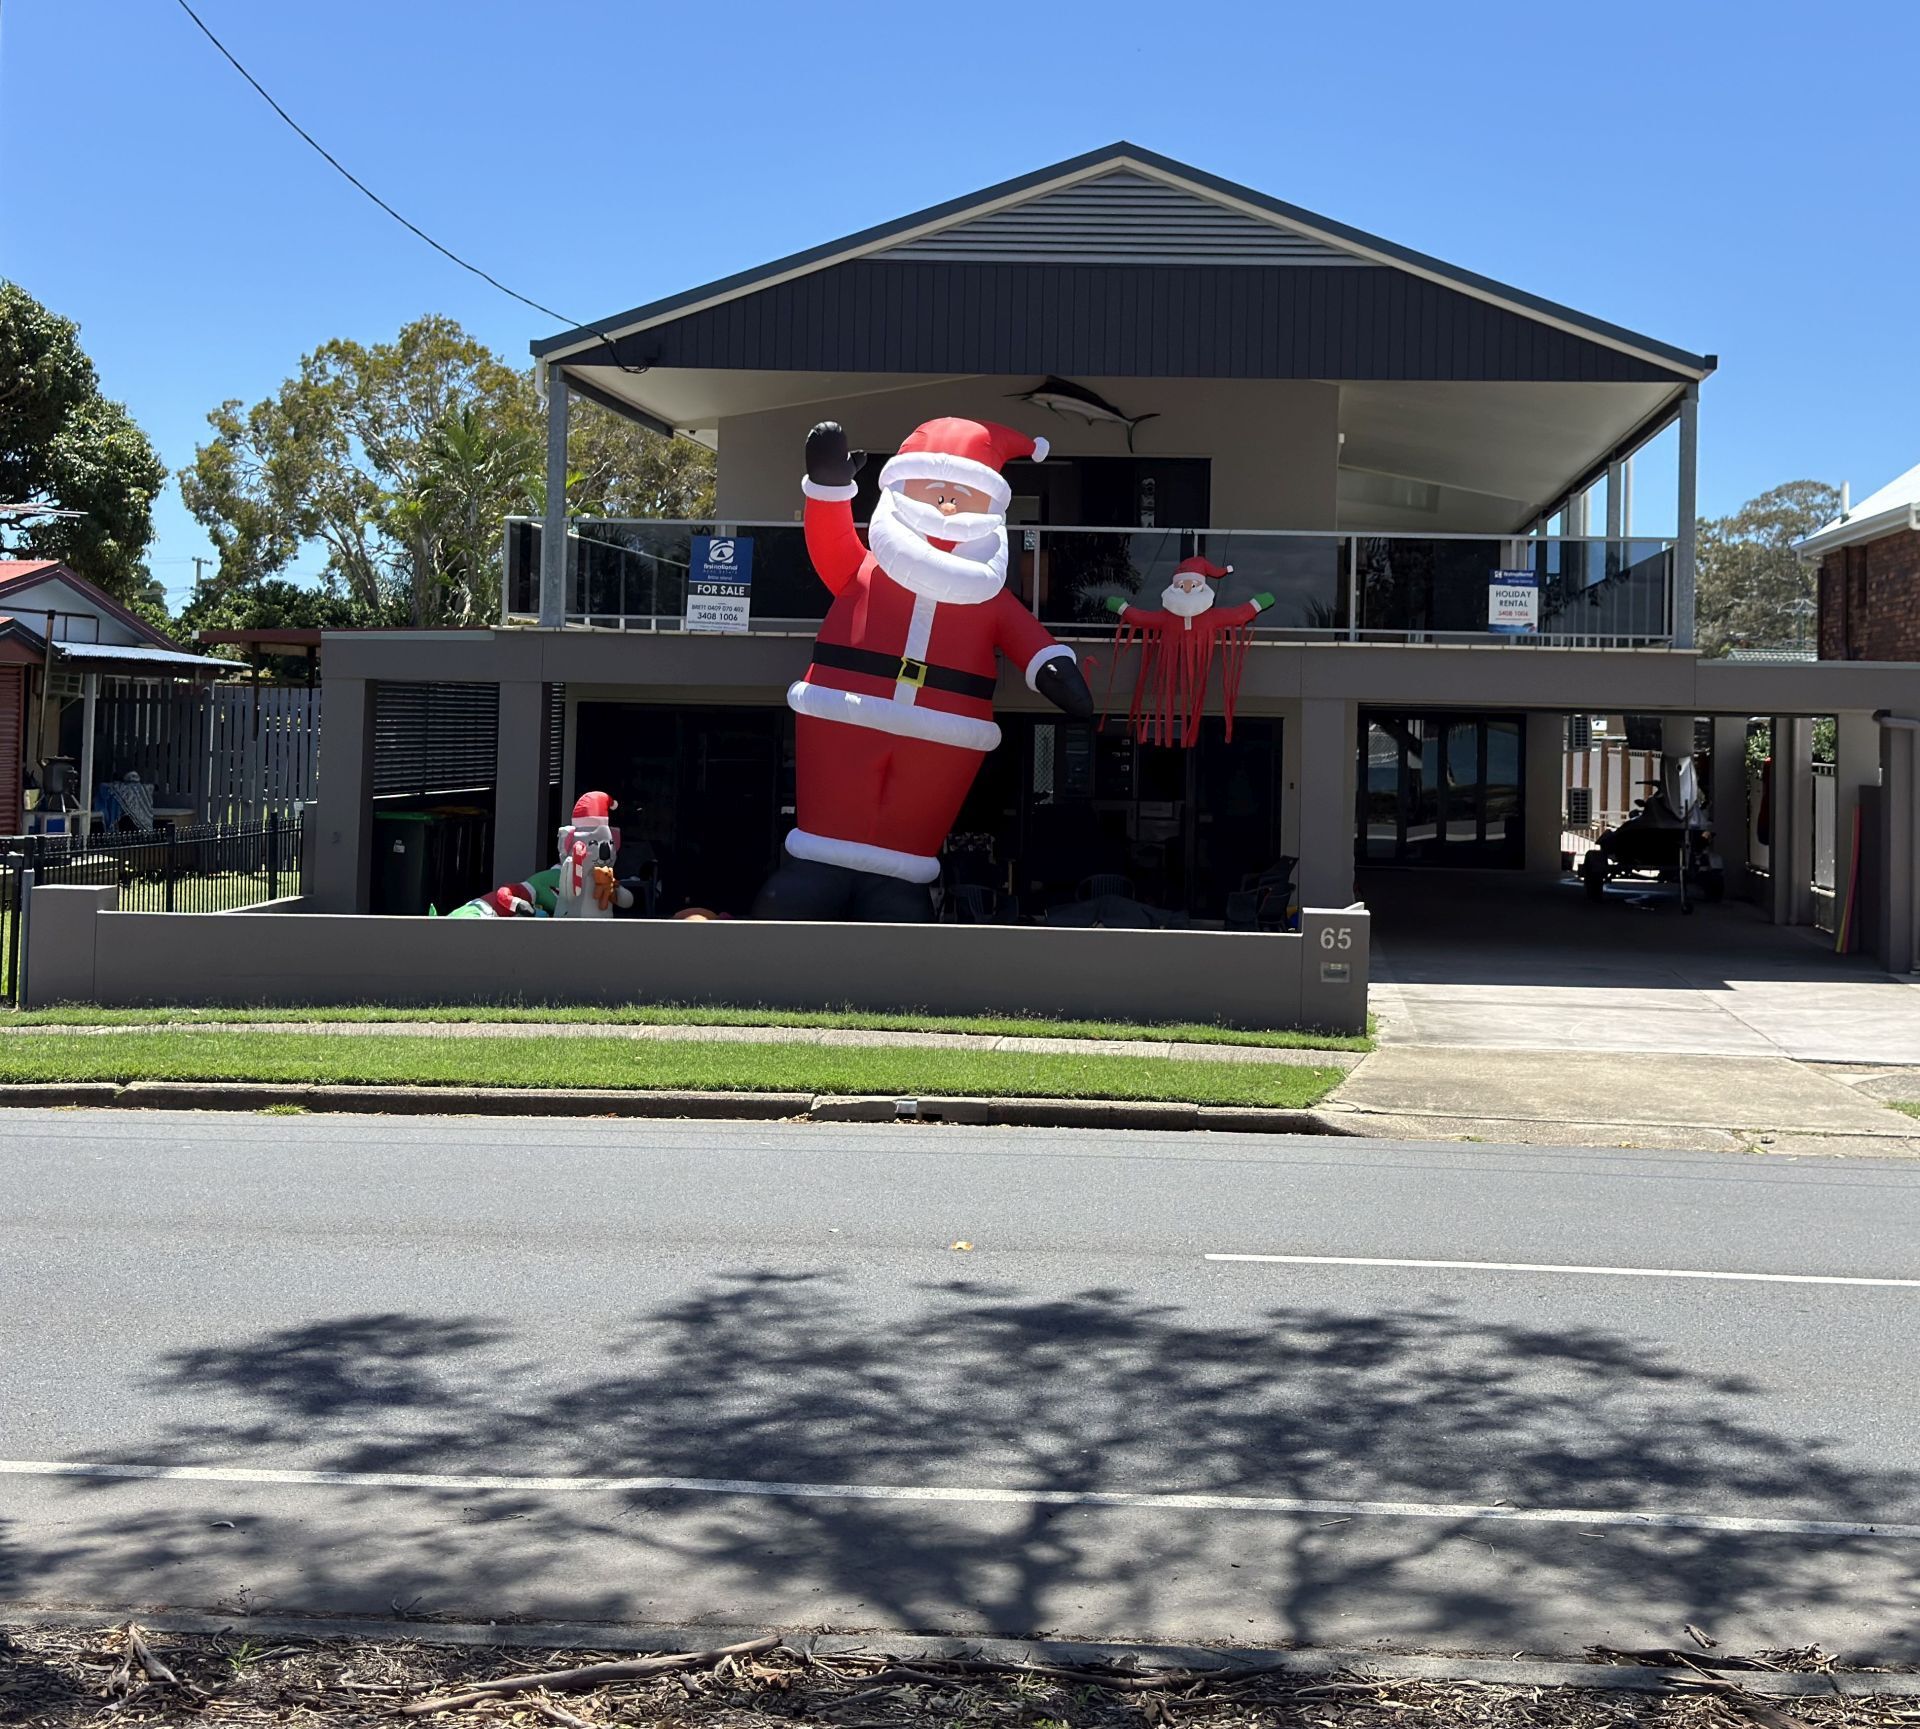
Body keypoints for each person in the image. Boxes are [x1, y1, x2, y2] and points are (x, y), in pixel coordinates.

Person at [752, 417, 1093, 922]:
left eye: (964, 496)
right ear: (899, 492)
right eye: (935, 493)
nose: (949, 506)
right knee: (829, 822)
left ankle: (894, 889)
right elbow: (831, 541)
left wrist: (1054, 669)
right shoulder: (864, 570)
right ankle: (815, 875)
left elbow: (1029, 641)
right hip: (845, 715)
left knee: (907, 842)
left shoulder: (990, 599)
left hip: (943, 739)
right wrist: (828, 486)